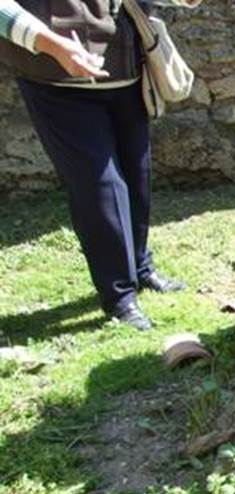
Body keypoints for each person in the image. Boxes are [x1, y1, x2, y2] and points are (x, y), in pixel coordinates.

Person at [0, 0, 201, 331]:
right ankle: (119, 296)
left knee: (137, 178)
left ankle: (139, 267)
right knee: (100, 185)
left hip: (126, 73)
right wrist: (51, 43)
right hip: (57, 81)